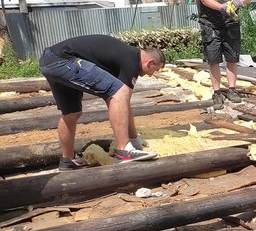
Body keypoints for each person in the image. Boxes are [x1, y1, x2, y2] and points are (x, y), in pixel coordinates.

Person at [39, 35, 165, 170]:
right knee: (120, 92)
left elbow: (119, 102)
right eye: (155, 70)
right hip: (64, 60)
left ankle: (67, 160)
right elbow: (122, 99)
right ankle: (124, 150)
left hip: (49, 60)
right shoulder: (132, 59)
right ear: (150, 62)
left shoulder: (125, 53)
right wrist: (134, 138)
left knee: (71, 113)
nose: (152, 74)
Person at [192, 0, 256, 109]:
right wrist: (222, 7)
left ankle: (232, 89)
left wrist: (237, 2)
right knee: (213, 60)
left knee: (232, 58)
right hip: (210, 24)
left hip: (230, 24)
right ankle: (217, 92)